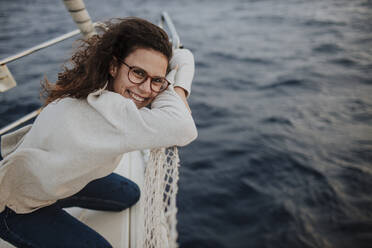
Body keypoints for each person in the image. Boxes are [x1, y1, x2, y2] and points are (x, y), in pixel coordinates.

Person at [0, 17, 197, 247]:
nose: (145, 89)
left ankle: (54, 193)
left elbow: (184, 56)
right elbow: (184, 127)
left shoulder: (96, 83)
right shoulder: (111, 113)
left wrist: (160, 80)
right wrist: (178, 91)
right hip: (13, 202)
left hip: (47, 176)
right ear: (113, 66)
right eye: (138, 73)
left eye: (156, 80)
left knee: (130, 193)